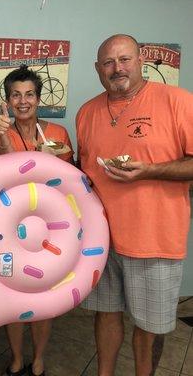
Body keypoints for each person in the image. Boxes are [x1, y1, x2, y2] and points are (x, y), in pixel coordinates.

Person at [76, 34, 193, 376]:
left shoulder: (177, 101)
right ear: (98, 69)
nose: (117, 69)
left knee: (150, 326)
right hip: (101, 239)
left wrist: (150, 171)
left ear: (141, 60)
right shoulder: (87, 112)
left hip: (154, 240)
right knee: (106, 313)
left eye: (124, 59)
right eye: (109, 63)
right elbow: (85, 174)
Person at [0, 65, 74, 376]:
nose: (22, 101)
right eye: (16, 95)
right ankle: (15, 358)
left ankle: (37, 360)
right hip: (11, 226)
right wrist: (3, 136)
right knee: (13, 295)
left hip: (49, 228)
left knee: (44, 295)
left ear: (39, 99)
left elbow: (72, 183)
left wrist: (54, 162)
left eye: (29, 95)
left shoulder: (57, 134)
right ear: (8, 101)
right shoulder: (0, 131)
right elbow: (7, 176)